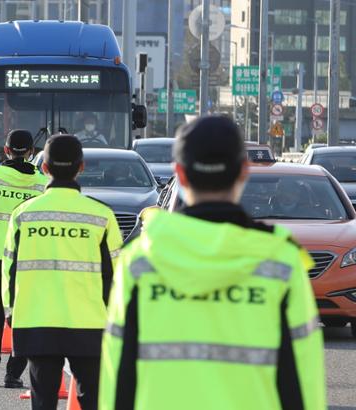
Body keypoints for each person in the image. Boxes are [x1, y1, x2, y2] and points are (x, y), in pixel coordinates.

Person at [99, 116, 325, 410]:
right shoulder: (281, 263)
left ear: (179, 173)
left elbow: (118, 379)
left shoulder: (140, 262)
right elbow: (302, 382)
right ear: (244, 171)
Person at [2, 134, 123, 410]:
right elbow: (115, 275)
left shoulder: (23, 214)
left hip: (37, 320)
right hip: (90, 323)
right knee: (93, 400)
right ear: (81, 166)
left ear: (44, 167)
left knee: (43, 401)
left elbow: (9, 268)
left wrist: (11, 312)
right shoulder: (101, 216)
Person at [0, 130, 48, 389]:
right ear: (30, 153)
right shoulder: (41, 183)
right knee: (24, 318)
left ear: (5, 150)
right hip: (29, 258)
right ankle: (13, 374)